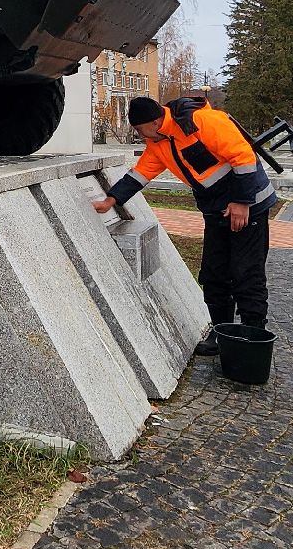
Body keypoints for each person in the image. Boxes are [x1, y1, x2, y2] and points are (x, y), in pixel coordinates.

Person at [91, 93, 277, 356]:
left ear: (155, 122)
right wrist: (111, 200)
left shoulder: (203, 120)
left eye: (139, 129)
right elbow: (140, 174)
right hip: (216, 211)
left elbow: (243, 157)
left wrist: (242, 202)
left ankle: (252, 334)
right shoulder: (158, 142)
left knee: (247, 274)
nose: (139, 135)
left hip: (249, 206)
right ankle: (222, 332)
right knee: (214, 275)